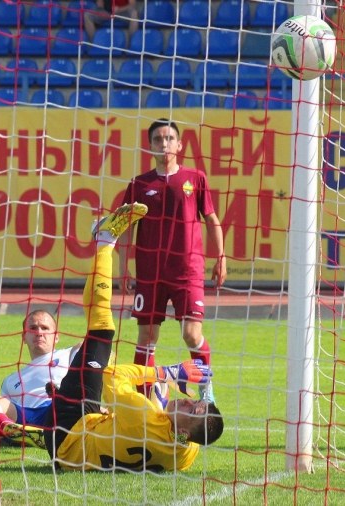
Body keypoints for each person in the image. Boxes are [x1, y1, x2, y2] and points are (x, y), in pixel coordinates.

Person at [43, 202, 224, 471]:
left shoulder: (146, 418)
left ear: (184, 432)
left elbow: (111, 375)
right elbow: (172, 429)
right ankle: (62, 394)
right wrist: (163, 399)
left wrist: (167, 372)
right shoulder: (186, 454)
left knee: (102, 332)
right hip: (86, 441)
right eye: (195, 401)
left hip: (65, 432)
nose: (187, 400)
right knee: (154, 391)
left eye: (189, 409)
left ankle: (104, 238)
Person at [119, 118, 227, 403]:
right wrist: (123, 268)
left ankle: (205, 389)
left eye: (169, 138)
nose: (163, 143)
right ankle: (144, 399)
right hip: (149, 272)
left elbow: (212, 219)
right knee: (146, 338)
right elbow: (125, 227)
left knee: (192, 335)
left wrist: (221, 258)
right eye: (157, 139)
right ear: (150, 146)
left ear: (179, 145)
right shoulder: (139, 184)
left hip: (187, 271)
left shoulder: (195, 178)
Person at [0, 309, 82, 449]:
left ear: (56, 336)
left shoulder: (68, 355)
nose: (39, 333)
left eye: (45, 328)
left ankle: (17, 434)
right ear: (24, 337)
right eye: (33, 328)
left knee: (62, 396)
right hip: (28, 419)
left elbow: (94, 363)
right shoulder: (11, 380)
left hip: (59, 409)